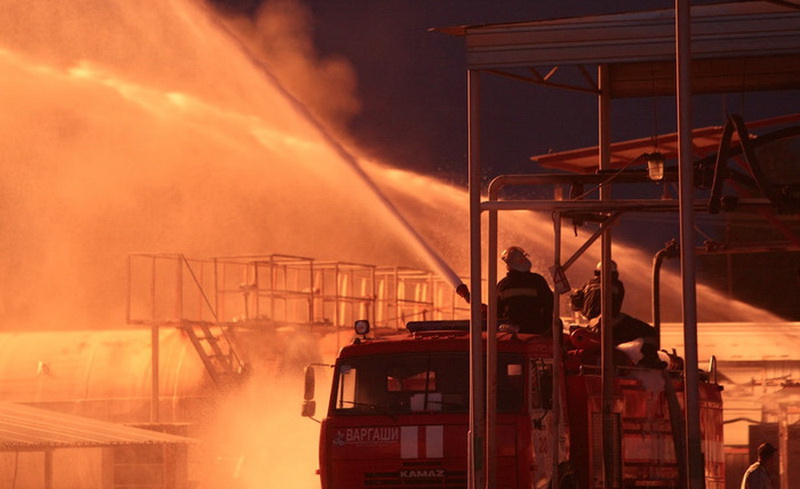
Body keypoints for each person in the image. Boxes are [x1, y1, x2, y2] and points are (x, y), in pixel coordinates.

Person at [497, 246, 554, 335]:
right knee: (558, 323)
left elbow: (496, 311)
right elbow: (550, 304)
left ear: (509, 266)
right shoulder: (538, 281)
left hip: (510, 325)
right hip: (536, 326)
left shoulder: (503, 285)